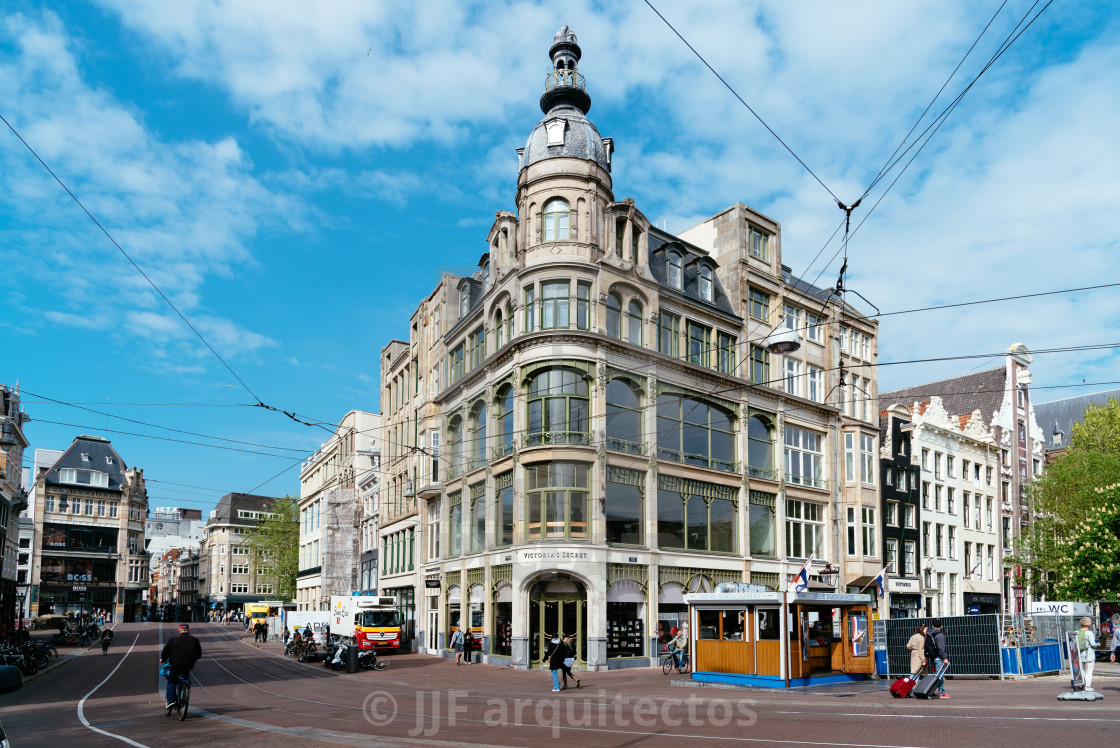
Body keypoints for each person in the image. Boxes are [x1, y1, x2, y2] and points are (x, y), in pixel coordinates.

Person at [160, 624, 202, 709]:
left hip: (175, 665)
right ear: (188, 630)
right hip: (188, 665)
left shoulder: (173, 639)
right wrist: (192, 660)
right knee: (185, 676)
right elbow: (199, 654)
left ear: (179, 630)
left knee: (171, 681)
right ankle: (185, 690)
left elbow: (165, 652)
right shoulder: (195, 640)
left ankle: (171, 700)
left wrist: (163, 659)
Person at [926, 619, 950, 698]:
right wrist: (944, 658)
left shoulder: (929, 634)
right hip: (938, 658)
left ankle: (932, 690)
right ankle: (942, 692)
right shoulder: (940, 635)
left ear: (933, 626)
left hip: (932, 657)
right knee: (940, 675)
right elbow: (941, 648)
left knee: (936, 675)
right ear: (941, 627)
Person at [1076, 616, 1100, 692]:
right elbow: (1092, 644)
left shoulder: (1077, 632)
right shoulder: (1089, 633)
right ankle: (1087, 686)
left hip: (1080, 654)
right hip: (1089, 654)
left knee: (1082, 670)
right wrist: (1097, 644)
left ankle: (1081, 684)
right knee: (1089, 671)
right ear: (1089, 625)